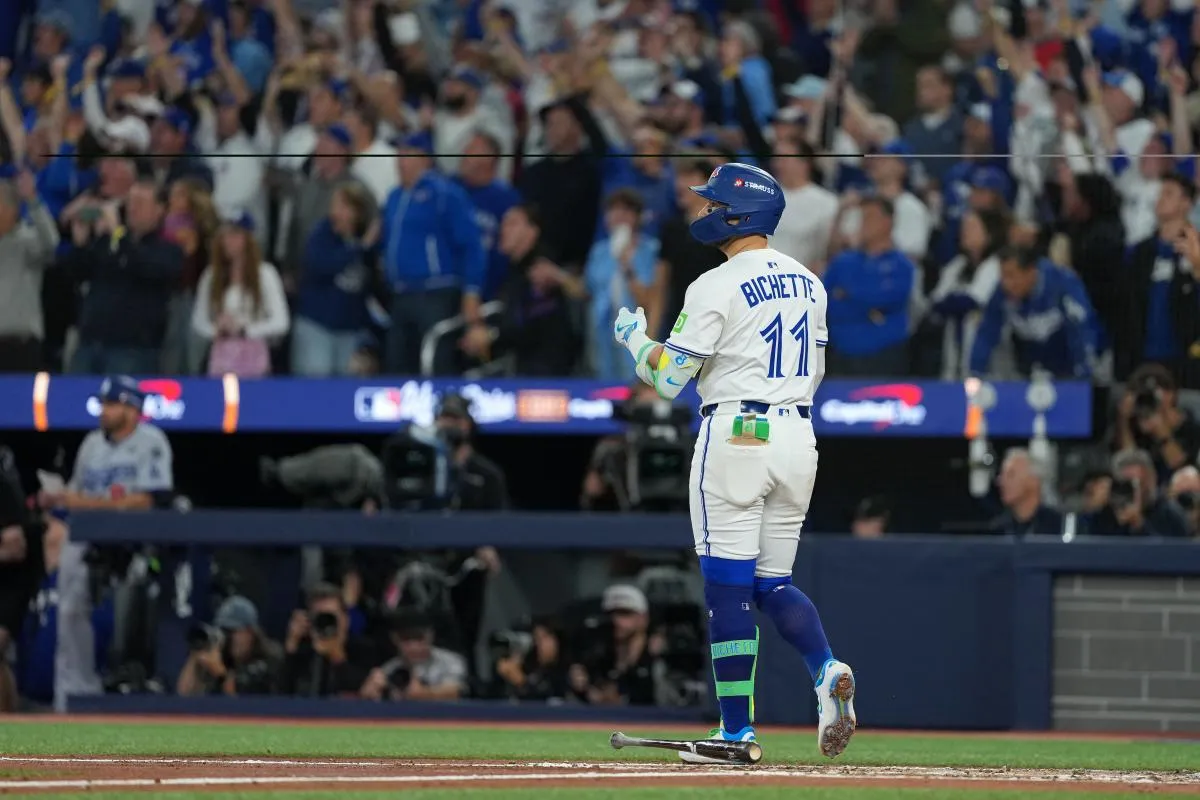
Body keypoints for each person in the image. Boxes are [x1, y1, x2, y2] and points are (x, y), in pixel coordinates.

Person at [610, 162, 855, 761]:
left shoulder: (713, 284)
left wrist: (634, 339)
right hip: (798, 436)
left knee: (728, 592)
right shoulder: (809, 282)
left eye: (713, 203)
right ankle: (825, 669)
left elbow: (668, 379)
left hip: (736, 434)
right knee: (773, 584)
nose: (703, 211)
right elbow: (817, 370)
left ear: (738, 214)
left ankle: (736, 732)